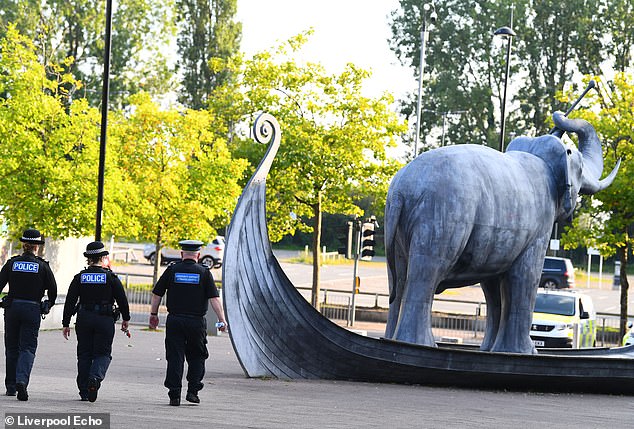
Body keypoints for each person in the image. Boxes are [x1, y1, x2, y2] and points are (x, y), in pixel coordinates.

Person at [149, 239, 227, 406]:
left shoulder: (172, 271)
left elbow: (157, 294)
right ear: (198, 255)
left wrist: (153, 314)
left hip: (175, 320)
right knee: (197, 356)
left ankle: (174, 394)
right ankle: (193, 391)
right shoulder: (204, 273)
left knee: (175, 357)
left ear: (182, 254)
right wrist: (221, 319)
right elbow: (214, 298)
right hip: (196, 322)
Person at [62, 241, 130, 402]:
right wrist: (126, 319)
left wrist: (66, 323)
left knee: (84, 354)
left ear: (88, 258)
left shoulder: (80, 278)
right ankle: (95, 377)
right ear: (103, 258)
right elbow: (122, 300)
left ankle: (84, 390)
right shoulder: (111, 277)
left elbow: (70, 301)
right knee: (103, 353)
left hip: (84, 318)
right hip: (105, 320)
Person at [0, 228, 57, 401]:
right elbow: (53, 291)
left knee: (11, 348)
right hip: (32, 309)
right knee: (27, 348)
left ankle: (11, 386)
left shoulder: (12, 263)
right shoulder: (43, 266)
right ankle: (22, 381)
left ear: (24, 245)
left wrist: (2, 302)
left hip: (13, 308)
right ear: (36, 247)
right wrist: (47, 304)